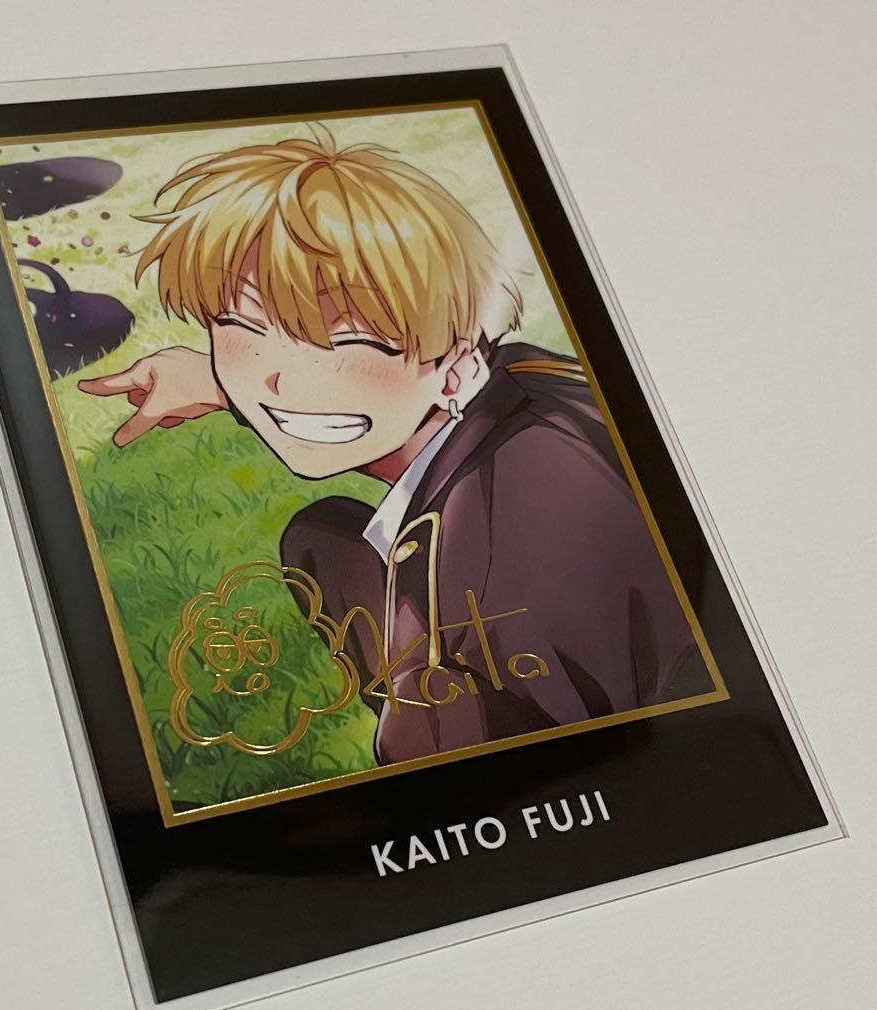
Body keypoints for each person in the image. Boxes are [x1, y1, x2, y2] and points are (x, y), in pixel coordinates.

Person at [79, 126, 712, 765]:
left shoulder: (522, 494)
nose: (278, 380)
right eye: (240, 325)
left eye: (347, 340)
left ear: (457, 368)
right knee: (324, 537)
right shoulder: (512, 382)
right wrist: (221, 383)